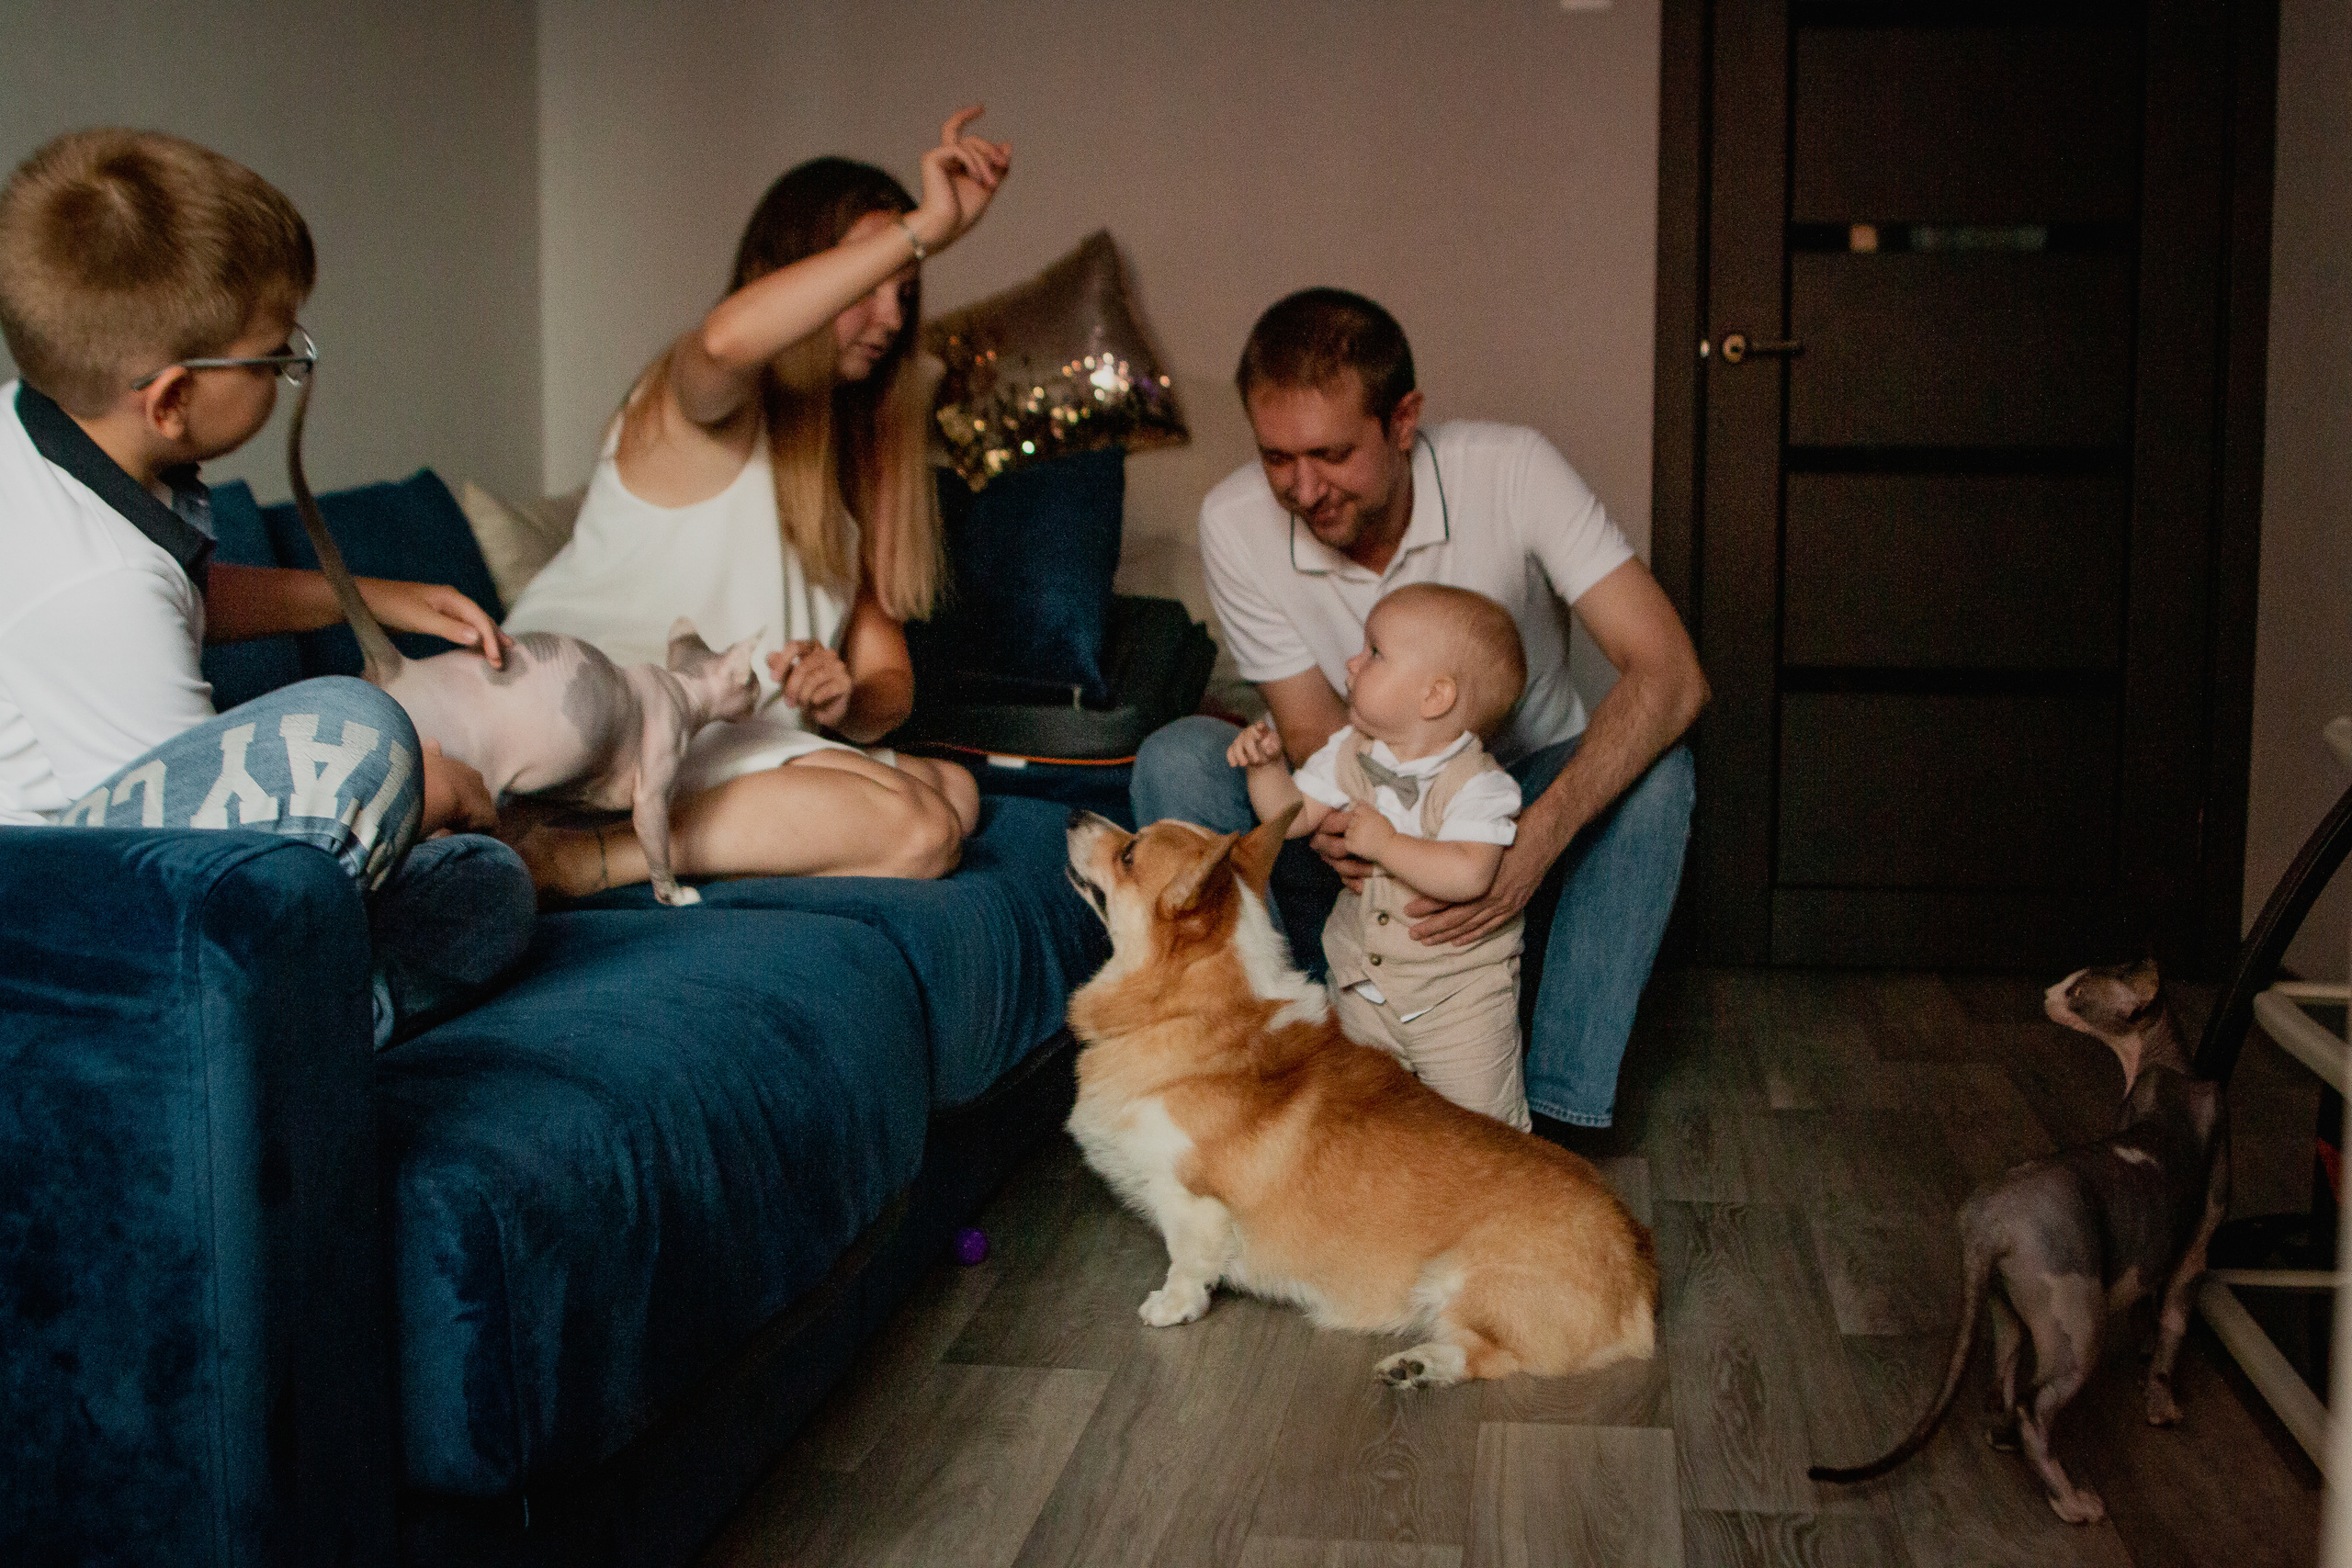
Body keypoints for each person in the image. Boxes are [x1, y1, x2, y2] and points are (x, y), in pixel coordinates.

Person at [1133, 288, 1710, 1146]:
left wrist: (1531, 845)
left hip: (1517, 812)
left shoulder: (1515, 470)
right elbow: (1309, 724)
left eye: (1329, 454)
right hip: (1366, 833)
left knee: (1662, 769)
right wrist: (1342, 827)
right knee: (1177, 757)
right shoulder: (1235, 520)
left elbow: (1672, 675)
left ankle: (1554, 1125)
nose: (1301, 487)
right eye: (1276, 457)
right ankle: (1285, 1069)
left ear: (1403, 421)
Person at [0, 129, 535, 1044]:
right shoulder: (101, 585)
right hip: (73, 932)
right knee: (372, 747)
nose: (292, 368)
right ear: (170, 400)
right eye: (276, 358)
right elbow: (204, 874)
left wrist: (360, 595)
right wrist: (423, 788)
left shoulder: (45, 425)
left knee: (478, 878)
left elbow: (183, 593)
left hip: (100, 868)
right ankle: (305, 1025)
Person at [505, 108, 1012, 897]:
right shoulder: (702, 405)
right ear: (794, 275)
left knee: (957, 791)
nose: (890, 317)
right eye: (865, 281)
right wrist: (925, 228)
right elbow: (724, 342)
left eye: (904, 292)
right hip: (593, 716)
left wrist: (844, 698)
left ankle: (644, 836)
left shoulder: (865, 453)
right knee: (921, 828)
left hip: (721, 732)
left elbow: (888, 684)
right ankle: (584, 860)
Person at [1228, 582, 1534, 1129]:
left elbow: (1471, 872)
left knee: (1484, 1135)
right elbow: (1292, 818)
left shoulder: (1479, 786)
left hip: (1458, 1003)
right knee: (1362, 1120)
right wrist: (1266, 769)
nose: (1351, 661)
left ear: (1435, 697)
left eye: (1374, 652)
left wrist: (1388, 846)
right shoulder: (1349, 751)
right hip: (1360, 988)